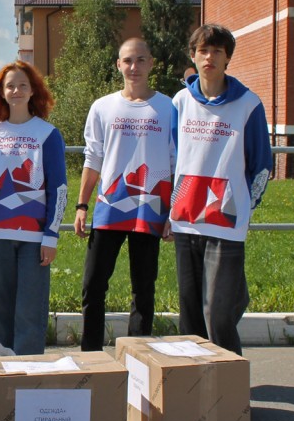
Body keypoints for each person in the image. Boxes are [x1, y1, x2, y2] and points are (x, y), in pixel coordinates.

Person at [171, 24, 272, 355]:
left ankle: (229, 391)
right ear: (193, 56)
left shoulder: (248, 104)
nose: (209, 56)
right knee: (190, 314)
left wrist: (245, 208)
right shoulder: (180, 102)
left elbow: (261, 166)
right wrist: (166, 211)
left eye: (216, 50)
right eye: (203, 50)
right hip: (185, 219)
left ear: (228, 57)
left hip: (226, 220)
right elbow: (170, 159)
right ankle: (192, 387)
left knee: (217, 312)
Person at [75, 38, 176, 351]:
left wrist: (173, 211)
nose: (134, 67)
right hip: (110, 206)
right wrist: (82, 205)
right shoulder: (103, 107)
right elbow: (93, 159)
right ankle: (91, 354)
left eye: (141, 60)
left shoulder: (169, 107)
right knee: (93, 285)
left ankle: (139, 355)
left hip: (151, 207)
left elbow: (177, 163)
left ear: (151, 63)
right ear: (118, 64)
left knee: (143, 289)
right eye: (128, 60)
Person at [0, 61, 68, 356]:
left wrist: (51, 236)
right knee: (1, 311)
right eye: (10, 85)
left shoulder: (48, 134)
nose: (16, 90)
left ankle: (28, 376)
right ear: (0, 92)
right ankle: (2, 375)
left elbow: (59, 190)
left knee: (29, 313)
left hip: (35, 240)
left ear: (33, 91)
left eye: (22, 85)